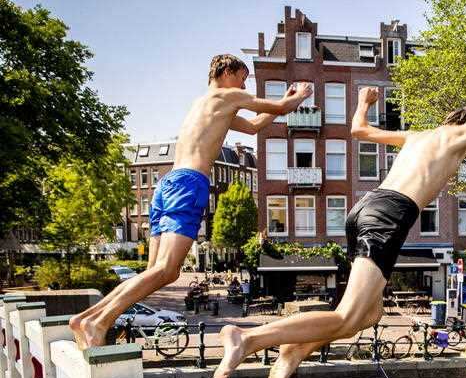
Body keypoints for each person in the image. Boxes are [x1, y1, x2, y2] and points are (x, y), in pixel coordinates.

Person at [210, 41, 466, 378]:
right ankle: (247, 338)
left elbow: (358, 131)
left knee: (368, 316)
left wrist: (364, 102)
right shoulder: (461, 134)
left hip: (365, 210)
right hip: (389, 217)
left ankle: (297, 347)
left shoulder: (417, 136)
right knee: (347, 316)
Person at [69, 55, 312, 348]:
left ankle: (88, 317)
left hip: (168, 183)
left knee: (155, 273)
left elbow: (253, 127)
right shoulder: (227, 94)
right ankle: (99, 322)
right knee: (168, 271)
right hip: (188, 183)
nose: (245, 84)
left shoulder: (205, 104)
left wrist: (282, 102)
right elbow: (281, 108)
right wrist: (299, 95)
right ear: (226, 72)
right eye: (243, 76)